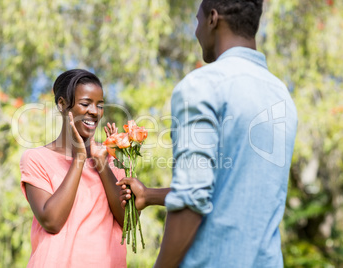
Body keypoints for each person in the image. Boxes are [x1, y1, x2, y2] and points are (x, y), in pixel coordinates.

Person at [117, 0, 298, 267]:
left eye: (197, 20)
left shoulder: (203, 85)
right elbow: (232, 190)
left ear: (213, 18)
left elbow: (191, 202)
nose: (196, 30)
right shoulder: (280, 94)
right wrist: (149, 195)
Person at [19, 69, 126, 267]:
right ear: (62, 105)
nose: (94, 111)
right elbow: (51, 221)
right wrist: (79, 159)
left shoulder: (111, 161)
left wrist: (102, 164)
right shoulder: (36, 159)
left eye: (100, 105)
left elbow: (127, 223)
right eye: (85, 104)